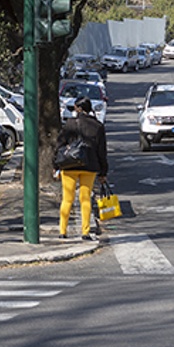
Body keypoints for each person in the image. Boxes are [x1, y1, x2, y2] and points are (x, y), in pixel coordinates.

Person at [54, 97, 108, 241]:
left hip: (69, 165)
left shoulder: (70, 124)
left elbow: (59, 145)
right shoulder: (97, 126)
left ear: (78, 108)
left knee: (67, 199)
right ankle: (85, 232)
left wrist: (56, 166)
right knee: (85, 199)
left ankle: (62, 230)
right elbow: (102, 151)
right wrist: (103, 172)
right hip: (90, 165)